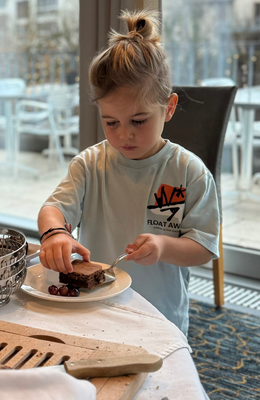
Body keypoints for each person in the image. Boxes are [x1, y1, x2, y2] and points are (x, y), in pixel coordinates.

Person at [38, 10, 219, 336]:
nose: (124, 135)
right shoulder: (89, 165)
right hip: (95, 308)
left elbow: (204, 247)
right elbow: (53, 210)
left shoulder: (189, 172)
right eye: (111, 122)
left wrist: (164, 247)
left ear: (169, 107)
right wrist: (55, 234)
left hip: (159, 316)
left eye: (138, 121)